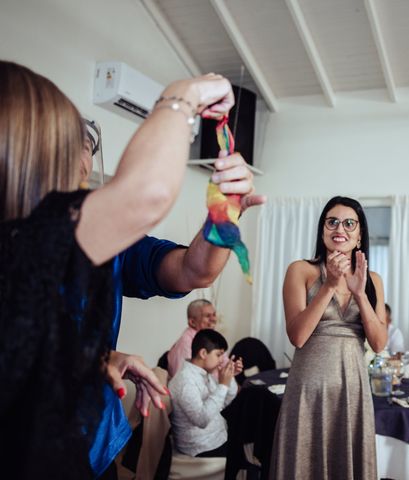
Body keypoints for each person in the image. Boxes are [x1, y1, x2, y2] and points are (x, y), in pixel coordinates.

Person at [0, 61, 264, 479]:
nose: (84, 150)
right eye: (72, 137)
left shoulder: (104, 243)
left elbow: (194, 272)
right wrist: (181, 96)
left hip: (93, 443)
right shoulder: (37, 237)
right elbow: (149, 193)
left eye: (86, 141)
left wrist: (224, 214)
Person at [270, 196, 387, 479]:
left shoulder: (373, 280)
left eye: (350, 223)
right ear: (323, 230)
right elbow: (297, 336)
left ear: (359, 236)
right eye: (332, 221)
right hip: (309, 389)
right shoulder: (301, 270)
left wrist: (359, 293)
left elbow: (379, 343)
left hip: (353, 391)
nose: (340, 228)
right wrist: (330, 285)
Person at [169, 329, 238, 457]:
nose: (222, 360)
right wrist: (223, 385)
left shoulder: (203, 372)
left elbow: (225, 401)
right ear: (203, 353)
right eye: (218, 355)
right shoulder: (185, 381)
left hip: (217, 438)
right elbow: (202, 420)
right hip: (201, 447)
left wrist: (229, 376)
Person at [168, 299, 230, 378]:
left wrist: (231, 368)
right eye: (207, 316)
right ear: (192, 322)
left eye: (214, 314)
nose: (213, 319)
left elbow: (225, 365)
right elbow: (184, 377)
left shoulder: (211, 336)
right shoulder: (186, 342)